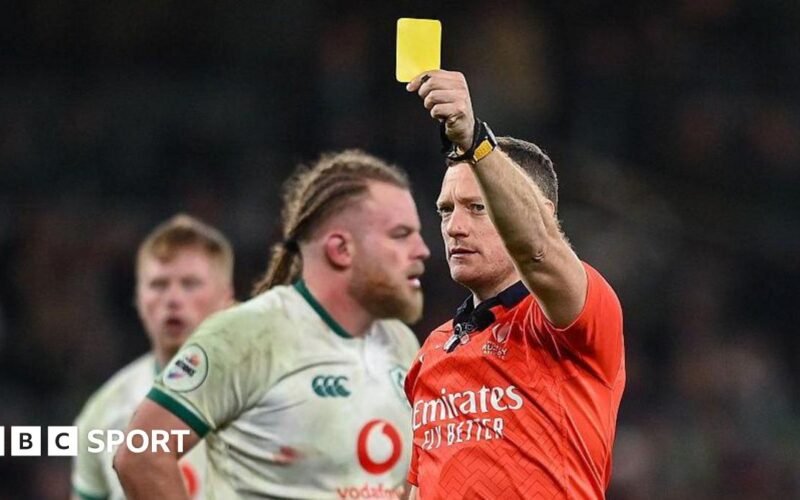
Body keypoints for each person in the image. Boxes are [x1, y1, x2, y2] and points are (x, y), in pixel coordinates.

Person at [114, 150, 430, 499]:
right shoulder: (247, 335)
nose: (422, 249)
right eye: (400, 234)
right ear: (341, 249)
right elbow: (141, 456)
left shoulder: (402, 343)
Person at [403, 70, 625, 499]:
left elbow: (537, 248)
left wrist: (475, 143)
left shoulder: (575, 316)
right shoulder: (432, 350)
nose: (454, 227)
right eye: (446, 210)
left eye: (477, 208)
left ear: (540, 211)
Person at [72, 214, 236, 500]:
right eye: (158, 285)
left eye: (190, 284)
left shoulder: (268, 395)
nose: (173, 299)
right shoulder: (104, 412)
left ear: (226, 298)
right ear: (138, 298)